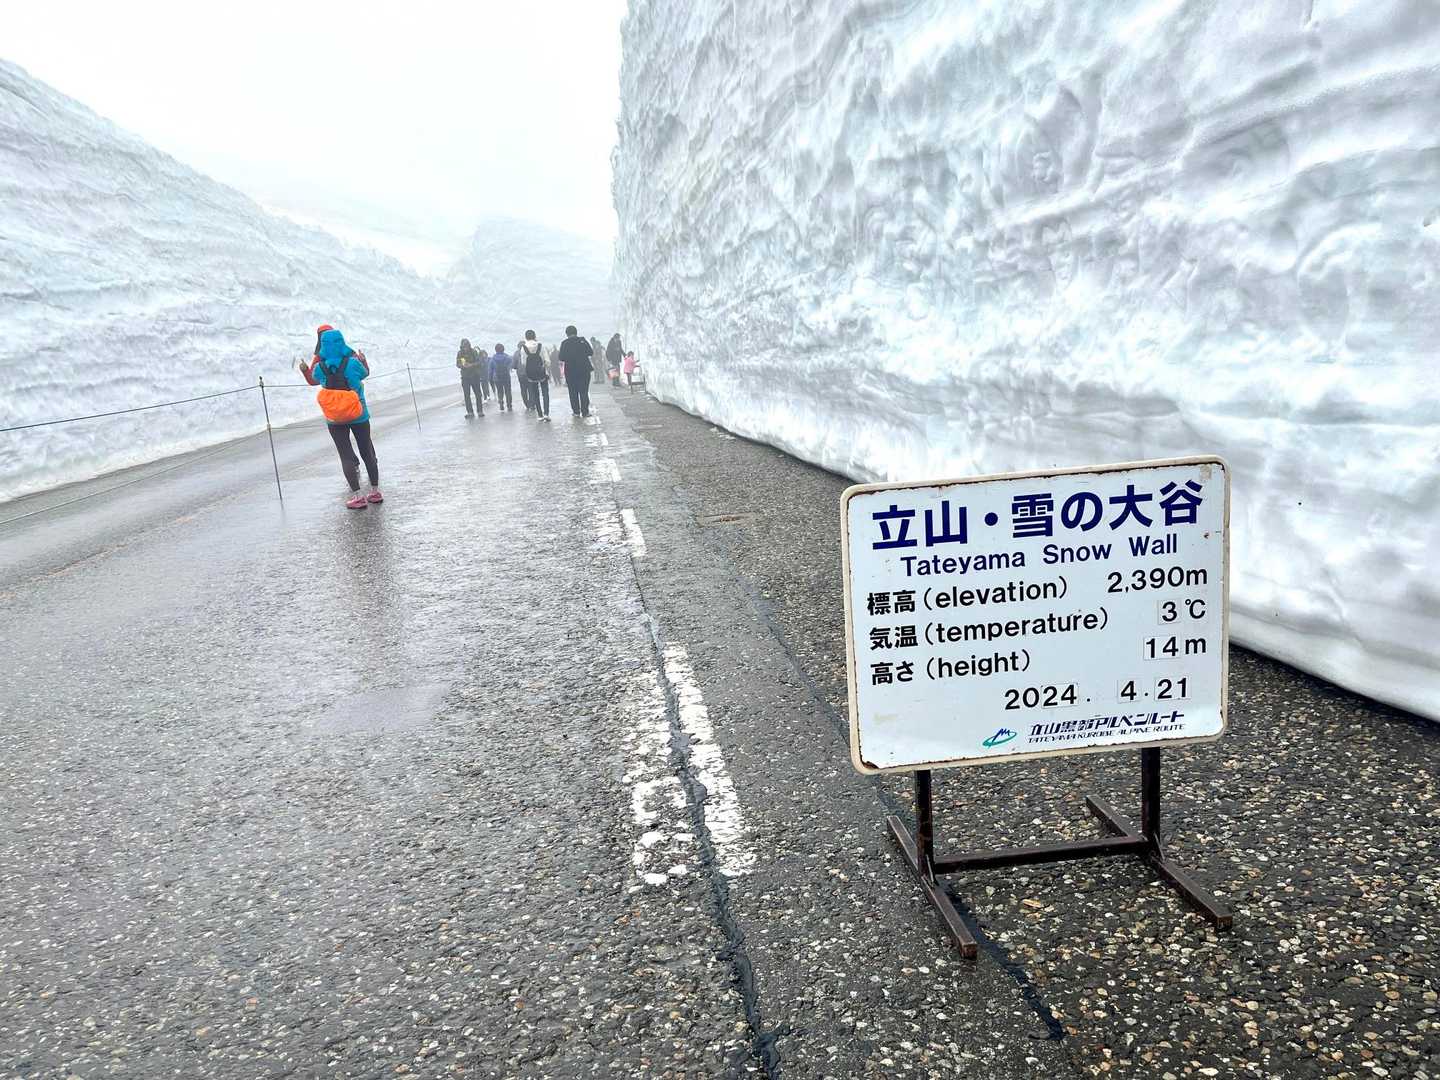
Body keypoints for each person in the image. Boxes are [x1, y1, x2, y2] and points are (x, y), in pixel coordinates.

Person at [301, 325, 382, 509]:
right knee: (367, 451)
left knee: (345, 454)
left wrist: (305, 370)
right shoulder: (353, 363)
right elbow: (365, 373)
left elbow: (313, 380)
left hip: (335, 418)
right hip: (359, 413)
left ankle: (357, 497)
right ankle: (375, 492)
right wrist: (363, 360)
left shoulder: (320, 368)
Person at [560, 326, 595, 417]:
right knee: (584, 391)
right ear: (576, 332)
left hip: (570, 371)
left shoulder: (564, 343)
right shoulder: (582, 340)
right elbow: (590, 352)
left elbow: (561, 357)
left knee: (572, 392)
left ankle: (576, 412)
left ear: (567, 334)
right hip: (584, 370)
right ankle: (585, 412)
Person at [518, 330, 551, 421]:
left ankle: (540, 415)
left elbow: (523, 363)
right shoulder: (540, 346)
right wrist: (544, 367)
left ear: (526, 337)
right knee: (545, 393)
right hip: (542, 373)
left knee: (535, 394)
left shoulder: (523, 348)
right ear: (535, 336)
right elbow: (548, 361)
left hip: (531, 375)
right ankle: (546, 414)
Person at [456, 338, 485, 418]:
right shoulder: (460, 353)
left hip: (475, 375)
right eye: (464, 347)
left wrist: (471, 365)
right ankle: (470, 412)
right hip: (465, 377)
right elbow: (457, 364)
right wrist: (463, 366)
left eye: (467, 346)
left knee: (478, 394)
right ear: (462, 347)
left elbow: (479, 362)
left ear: (469, 345)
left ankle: (480, 411)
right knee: (466, 395)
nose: (466, 348)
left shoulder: (474, 352)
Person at [490, 343, 514, 411]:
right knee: (508, 391)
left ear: (495, 350)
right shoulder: (507, 357)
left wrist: (490, 379)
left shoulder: (492, 359)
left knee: (499, 391)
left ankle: (501, 402)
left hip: (497, 377)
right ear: (503, 349)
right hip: (506, 376)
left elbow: (490, 371)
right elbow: (511, 366)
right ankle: (509, 406)